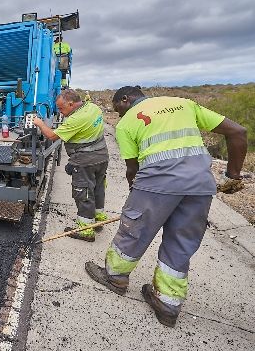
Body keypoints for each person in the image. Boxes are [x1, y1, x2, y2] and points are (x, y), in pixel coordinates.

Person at [85, 86, 247, 327]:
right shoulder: (183, 104)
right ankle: (167, 304)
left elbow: (133, 169)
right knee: (181, 242)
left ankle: (115, 277)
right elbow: (238, 132)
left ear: (126, 99)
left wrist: (135, 198)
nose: (117, 113)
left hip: (157, 184)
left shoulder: (128, 122)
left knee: (133, 230)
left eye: (117, 106)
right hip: (200, 186)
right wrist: (232, 175)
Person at [33, 89, 109, 242]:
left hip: (85, 161)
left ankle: (85, 230)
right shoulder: (93, 108)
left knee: (84, 193)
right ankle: (99, 219)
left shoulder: (76, 119)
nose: (60, 112)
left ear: (71, 103)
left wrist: (39, 123)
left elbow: (52, 135)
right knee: (98, 188)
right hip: (102, 156)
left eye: (62, 108)